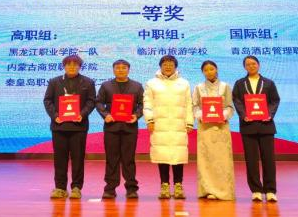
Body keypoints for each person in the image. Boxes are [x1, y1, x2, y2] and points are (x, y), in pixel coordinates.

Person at [43, 54, 96, 199]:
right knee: (60, 159)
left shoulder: (88, 82)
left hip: (78, 126)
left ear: (80, 66)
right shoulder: (54, 82)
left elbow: (91, 101)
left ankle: (76, 188)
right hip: (59, 126)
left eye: (75, 64)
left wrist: (82, 114)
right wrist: (55, 116)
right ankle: (60, 188)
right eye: (68, 64)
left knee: (78, 159)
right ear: (64, 66)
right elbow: (47, 101)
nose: (72, 67)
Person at [143, 55, 193, 200]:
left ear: (175, 66)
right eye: (165, 64)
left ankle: (178, 185)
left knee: (178, 156)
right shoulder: (152, 83)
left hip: (179, 125)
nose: (168, 66)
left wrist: (189, 122)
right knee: (162, 155)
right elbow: (147, 103)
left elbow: (188, 104)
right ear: (160, 66)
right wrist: (149, 120)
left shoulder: (184, 83)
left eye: (171, 64)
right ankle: (164, 185)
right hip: (160, 124)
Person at [232, 55, 281, 202]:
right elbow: (237, 100)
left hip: (266, 126)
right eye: (248, 64)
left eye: (253, 63)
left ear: (258, 65)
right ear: (244, 67)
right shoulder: (240, 83)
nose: (251, 66)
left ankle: (270, 190)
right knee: (251, 160)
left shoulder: (269, 83)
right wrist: (244, 115)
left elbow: (275, 100)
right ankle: (256, 190)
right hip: (248, 126)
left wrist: (269, 114)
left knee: (268, 160)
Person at [95, 59, 144, 199]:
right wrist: (105, 115)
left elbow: (143, 104)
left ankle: (131, 189)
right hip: (111, 127)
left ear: (129, 69)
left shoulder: (137, 86)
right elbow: (98, 102)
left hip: (130, 127)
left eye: (123, 68)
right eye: (117, 68)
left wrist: (136, 115)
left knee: (129, 159)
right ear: (113, 70)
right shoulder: (106, 86)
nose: (120, 70)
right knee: (112, 159)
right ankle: (110, 189)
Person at [192, 60, 235, 200]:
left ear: (216, 70)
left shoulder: (225, 86)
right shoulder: (198, 87)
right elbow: (195, 106)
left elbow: (229, 106)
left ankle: (223, 190)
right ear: (202, 72)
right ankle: (207, 190)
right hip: (205, 127)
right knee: (206, 160)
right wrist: (201, 116)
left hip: (221, 127)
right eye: (206, 70)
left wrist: (223, 116)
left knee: (222, 159)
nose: (209, 72)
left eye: (211, 69)